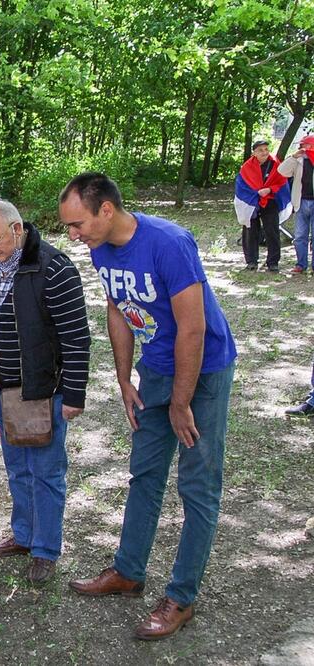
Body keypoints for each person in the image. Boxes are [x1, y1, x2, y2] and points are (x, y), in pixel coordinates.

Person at [59, 172, 236, 641]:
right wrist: (123, 377)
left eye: (77, 225)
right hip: (156, 370)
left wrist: (182, 402)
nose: (73, 236)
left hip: (204, 371)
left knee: (197, 486)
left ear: (106, 211)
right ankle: (129, 571)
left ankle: (181, 597)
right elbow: (117, 309)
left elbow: (193, 328)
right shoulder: (101, 249)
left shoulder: (169, 243)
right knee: (145, 474)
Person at [0, 197, 90, 585]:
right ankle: (23, 535)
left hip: (44, 392)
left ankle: (45, 549)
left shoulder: (53, 268)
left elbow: (76, 338)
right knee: (17, 469)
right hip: (4, 392)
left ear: (17, 229)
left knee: (46, 472)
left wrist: (73, 395)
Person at [234, 140, 288, 271]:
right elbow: (242, 185)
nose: (264, 152)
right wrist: (254, 193)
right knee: (250, 230)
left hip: (270, 201)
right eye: (260, 150)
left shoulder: (275, 164)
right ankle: (251, 261)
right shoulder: (247, 166)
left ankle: (273, 262)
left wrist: (270, 189)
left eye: (266, 149)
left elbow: (282, 182)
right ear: (254, 153)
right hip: (252, 202)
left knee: (272, 231)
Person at [277, 134, 314, 274]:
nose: (302, 148)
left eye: (305, 145)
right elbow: (282, 171)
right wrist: (293, 157)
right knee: (299, 236)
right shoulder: (298, 160)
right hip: (301, 201)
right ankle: (301, 264)